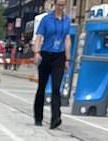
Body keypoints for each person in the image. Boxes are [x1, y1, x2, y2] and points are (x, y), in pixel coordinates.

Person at [33, 0, 72, 129]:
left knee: (56, 88)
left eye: (63, 5)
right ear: (54, 4)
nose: (61, 7)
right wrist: (37, 52)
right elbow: (39, 37)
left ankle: (56, 118)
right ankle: (38, 117)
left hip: (59, 57)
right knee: (42, 87)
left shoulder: (67, 20)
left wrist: (67, 58)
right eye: (59, 5)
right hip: (46, 54)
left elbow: (67, 39)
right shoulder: (46, 19)